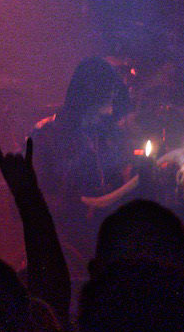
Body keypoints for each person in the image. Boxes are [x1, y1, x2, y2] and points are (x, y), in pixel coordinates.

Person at [32, 57, 140, 262]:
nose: (111, 106)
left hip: (103, 244)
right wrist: (72, 205)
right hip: (64, 248)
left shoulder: (105, 136)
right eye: (107, 96)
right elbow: (28, 200)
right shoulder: (46, 137)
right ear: (87, 96)